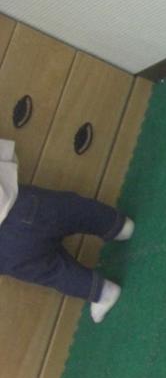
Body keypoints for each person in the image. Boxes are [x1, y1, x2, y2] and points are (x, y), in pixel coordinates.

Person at [1, 137, 132, 322]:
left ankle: (103, 292)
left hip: (8, 252)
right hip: (18, 205)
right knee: (71, 211)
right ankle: (117, 225)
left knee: (55, 273)